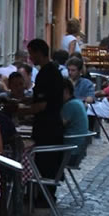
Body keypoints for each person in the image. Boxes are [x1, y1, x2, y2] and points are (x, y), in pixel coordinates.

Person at [22, 38, 66, 199]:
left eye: (31, 53)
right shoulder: (53, 71)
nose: (30, 57)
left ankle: (43, 196)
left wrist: (21, 111)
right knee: (45, 162)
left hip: (47, 127)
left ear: (38, 53)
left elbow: (41, 105)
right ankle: (43, 195)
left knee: (44, 162)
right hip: (51, 125)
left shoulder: (46, 74)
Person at [60, 79, 90, 166]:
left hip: (70, 153)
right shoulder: (77, 102)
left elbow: (57, 126)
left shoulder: (70, 105)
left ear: (65, 91)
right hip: (77, 151)